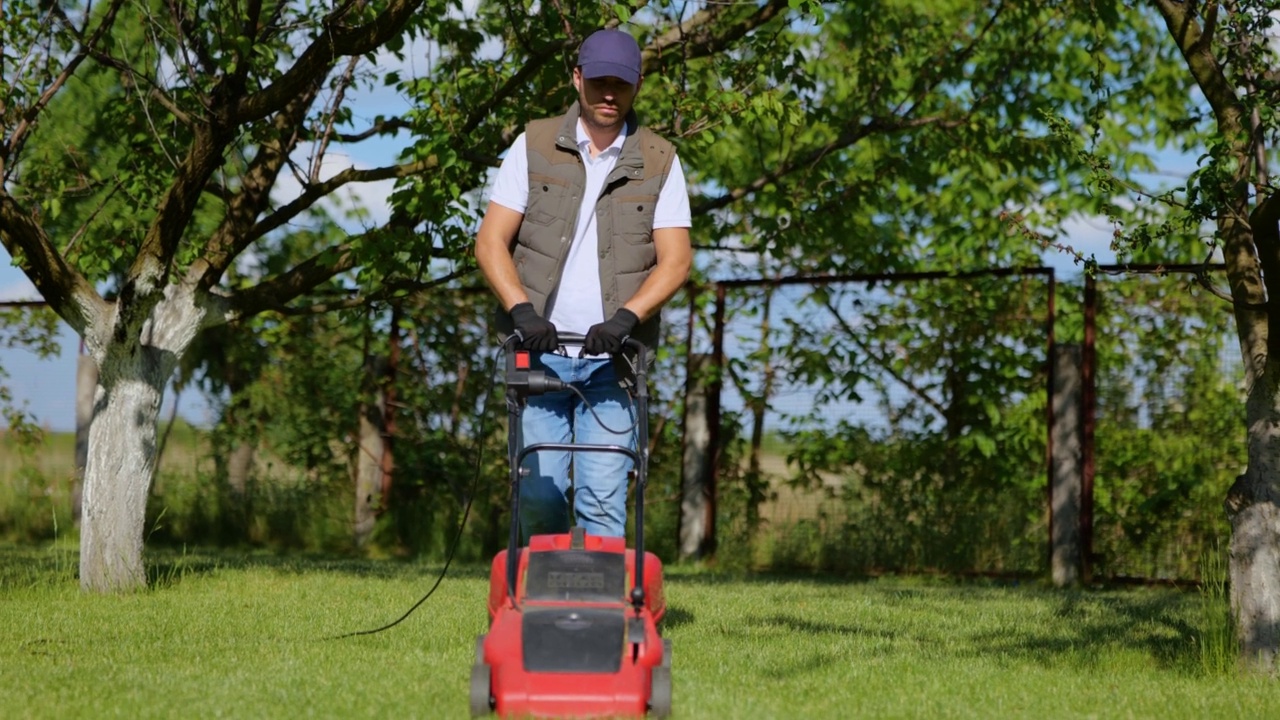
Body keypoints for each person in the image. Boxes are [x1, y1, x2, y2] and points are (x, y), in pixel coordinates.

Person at [474, 28, 693, 543]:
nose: (609, 95)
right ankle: (544, 615)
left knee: (601, 500)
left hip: (614, 364)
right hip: (539, 358)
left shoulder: (661, 160)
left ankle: (606, 621)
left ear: (638, 85)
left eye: (622, 84)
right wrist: (523, 313)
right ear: (577, 79)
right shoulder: (531, 145)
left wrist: (625, 320)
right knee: (540, 495)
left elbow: (676, 261)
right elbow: (490, 243)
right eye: (599, 83)